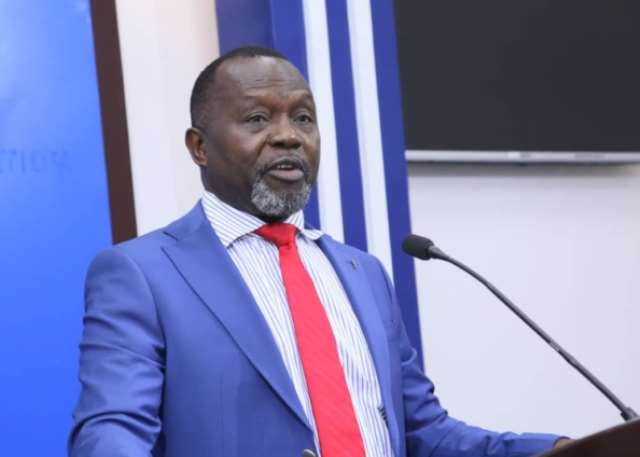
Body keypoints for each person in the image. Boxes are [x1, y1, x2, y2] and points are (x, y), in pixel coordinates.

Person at [69, 46, 566, 457]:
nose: (288, 135)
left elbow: (425, 435)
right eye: (257, 118)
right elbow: (111, 434)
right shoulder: (143, 274)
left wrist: (564, 451)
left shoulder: (363, 272)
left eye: (303, 118)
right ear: (199, 147)